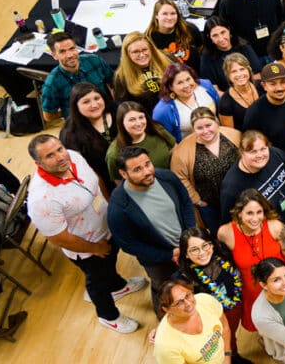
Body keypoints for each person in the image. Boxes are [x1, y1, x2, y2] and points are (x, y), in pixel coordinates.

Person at [27, 135, 146, 334]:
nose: (60, 156)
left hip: (106, 228)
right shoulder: (42, 198)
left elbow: (95, 179)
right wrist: (94, 248)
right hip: (88, 247)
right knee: (97, 280)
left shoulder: (72, 156)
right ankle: (108, 316)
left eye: (59, 149)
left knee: (109, 265)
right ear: (38, 163)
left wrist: (112, 204)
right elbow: (58, 237)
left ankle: (117, 285)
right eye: (50, 155)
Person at [107, 146, 196, 317]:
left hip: (186, 244)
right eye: (137, 169)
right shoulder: (119, 208)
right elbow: (129, 245)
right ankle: (164, 320)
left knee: (191, 281)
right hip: (158, 261)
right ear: (124, 174)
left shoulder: (166, 177)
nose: (147, 171)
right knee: (164, 290)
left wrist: (189, 236)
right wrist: (169, 254)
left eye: (147, 164)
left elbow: (185, 202)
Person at [217, 189, 285, 332]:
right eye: (249, 213)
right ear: (239, 213)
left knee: (284, 323)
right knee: (263, 327)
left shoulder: (276, 227)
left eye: (259, 212)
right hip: (252, 293)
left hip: (279, 287)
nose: (255, 218)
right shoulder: (225, 233)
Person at [172, 229, 250, 363]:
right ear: (185, 254)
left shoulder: (223, 254)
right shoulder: (182, 280)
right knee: (220, 345)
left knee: (231, 337)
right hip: (211, 320)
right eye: (194, 249)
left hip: (234, 306)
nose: (202, 253)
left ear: (212, 245)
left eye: (205, 245)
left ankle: (234, 355)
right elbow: (174, 308)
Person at [169, 109, 240, 231]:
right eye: (200, 128)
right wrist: (197, 200)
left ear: (216, 122)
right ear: (193, 129)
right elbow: (179, 178)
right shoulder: (182, 152)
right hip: (211, 206)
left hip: (239, 197)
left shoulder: (234, 135)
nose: (206, 131)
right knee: (219, 233)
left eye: (208, 125)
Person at [219, 132, 285, 235]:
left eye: (263, 149)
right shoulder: (231, 187)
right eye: (253, 151)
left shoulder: (276, 154)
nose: (260, 155)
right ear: (241, 152)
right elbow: (231, 224)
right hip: (273, 237)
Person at [153, 279, 233, 363]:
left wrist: (227, 356)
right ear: (166, 309)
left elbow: (225, 328)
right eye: (179, 303)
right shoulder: (165, 346)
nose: (188, 304)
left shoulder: (206, 300)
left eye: (188, 295)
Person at [243, 62, 285, 158]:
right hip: (283, 162)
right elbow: (254, 146)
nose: (279, 88)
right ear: (264, 86)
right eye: (273, 84)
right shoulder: (254, 112)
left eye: (283, 82)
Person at [41, 32, 114, 121]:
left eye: (72, 49)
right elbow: (48, 116)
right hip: (80, 124)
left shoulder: (94, 61)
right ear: (54, 55)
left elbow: (113, 83)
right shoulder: (52, 84)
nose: (70, 55)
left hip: (106, 115)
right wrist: (71, 112)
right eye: (62, 51)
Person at [59, 83, 118, 193]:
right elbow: (87, 171)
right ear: (76, 106)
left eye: (97, 98)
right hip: (107, 183)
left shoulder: (117, 110)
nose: (94, 104)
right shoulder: (70, 134)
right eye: (86, 102)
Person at [107, 102, 176, 185]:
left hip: (172, 181)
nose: (139, 123)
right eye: (132, 120)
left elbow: (176, 150)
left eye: (141, 117)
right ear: (121, 123)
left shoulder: (157, 130)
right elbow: (120, 183)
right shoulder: (114, 153)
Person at [153, 63, 220, 141]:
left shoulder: (206, 86)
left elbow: (221, 112)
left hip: (218, 137)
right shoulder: (162, 111)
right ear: (170, 87)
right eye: (180, 83)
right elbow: (166, 141)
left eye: (188, 79)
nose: (187, 85)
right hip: (191, 148)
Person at [113, 32, 174, 116]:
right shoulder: (121, 78)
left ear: (151, 49)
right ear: (127, 55)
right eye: (135, 52)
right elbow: (125, 108)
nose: (141, 55)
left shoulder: (168, 59)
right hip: (150, 120)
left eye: (144, 50)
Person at [201, 16, 264, 92]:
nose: (221, 38)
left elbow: (256, 76)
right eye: (215, 35)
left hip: (251, 92)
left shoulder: (244, 47)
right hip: (226, 98)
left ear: (229, 30)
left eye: (223, 32)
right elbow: (214, 89)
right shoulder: (207, 58)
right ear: (209, 37)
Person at [145, 0, 203, 72]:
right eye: (164, 14)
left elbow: (200, 48)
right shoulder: (148, 38)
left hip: (194, 77)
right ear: (156, 16)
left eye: (173, 13)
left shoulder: (190, 29)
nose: (169, 18)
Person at [217, 53, 261, 131]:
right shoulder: (225, 103)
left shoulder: (262, 86)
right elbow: (231, 134)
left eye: (242, 69)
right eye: (234, 71)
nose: (239, 74)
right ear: (228, 75)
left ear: (249, 69)